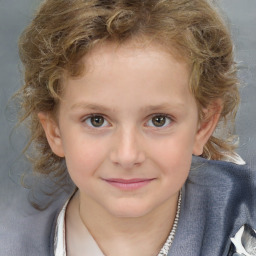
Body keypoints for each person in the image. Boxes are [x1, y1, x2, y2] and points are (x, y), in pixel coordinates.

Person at [3, 0, 256, 255]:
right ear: (55, 131)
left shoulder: (244, 213)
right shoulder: (13, 240)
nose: (127, 155)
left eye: (159, 120)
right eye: (96, 120)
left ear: (203, 126)